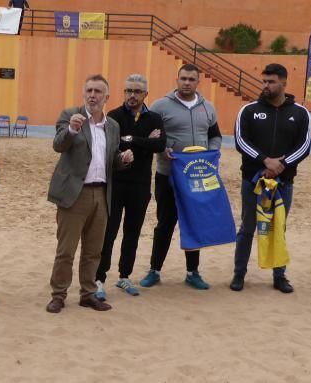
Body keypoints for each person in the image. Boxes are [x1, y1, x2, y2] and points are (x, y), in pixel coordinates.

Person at [46, 74, 134, 313]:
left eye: (98, 91)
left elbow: (110, 161)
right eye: (89, 91)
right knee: (66, 250)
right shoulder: (70, 116)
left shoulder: (112, 126)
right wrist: (72, 130)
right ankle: (58, 294)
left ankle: (88, 294)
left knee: (93, 251)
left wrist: (122, 159)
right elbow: (58, 145)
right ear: (83, 93)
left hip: (102, 194)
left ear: (107, 97)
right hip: (75, 194)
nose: (93, 95)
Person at [230, 63, 311, 293]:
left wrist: (282, 165)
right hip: (252, 182)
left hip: (284, 183)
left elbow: (304, 146)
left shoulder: (299, 113)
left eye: (271, 81)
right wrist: (265, 160)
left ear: (284, 82)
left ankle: (279, 276)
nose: (266, 85)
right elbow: (241, 141)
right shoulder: (248, 110)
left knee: (279, 228)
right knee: (247, 228)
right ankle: (239, 274)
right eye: (264, 81)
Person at [139, 64, 222, 291]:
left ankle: (192, 272)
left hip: (196, 176)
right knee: (165, 223)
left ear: (198, 82)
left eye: (191, 79)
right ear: (177, 79)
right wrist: (161, 147)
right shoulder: (160, 106)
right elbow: (150, 135)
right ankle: (154, 270)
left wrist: (212, 152)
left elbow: (215, 135)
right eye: (183, 78)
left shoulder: (208, 107)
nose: (187, 83)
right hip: (168, 175)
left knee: (194, 222)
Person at [94, 74, 165, 300]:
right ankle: (99, 279)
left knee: (132, 233)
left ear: (146, 94)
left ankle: (125, 275)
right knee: (109, 233)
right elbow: (111, 146)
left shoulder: (154, 118)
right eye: (128, 91)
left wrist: (131, 139)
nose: (132, 95)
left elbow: (160, 144)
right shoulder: (113, 116)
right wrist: (145, 140)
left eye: (137, 91)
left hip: (141, 185)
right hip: (116, 183)